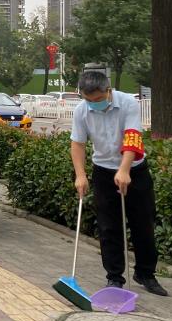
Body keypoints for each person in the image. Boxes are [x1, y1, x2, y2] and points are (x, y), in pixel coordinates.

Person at [70, 68, 167, 296]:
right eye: (89, 100)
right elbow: (78, 144)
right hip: (103, 172)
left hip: (135, 170)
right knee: (108, 227)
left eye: (98, 99)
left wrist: (124, 170)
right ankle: (114, 277)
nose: (94, 104)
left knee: (143, 223)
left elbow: (132, 137)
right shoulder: (81, 111)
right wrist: (80, 175)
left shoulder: (128, 103)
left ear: (108, 90)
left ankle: (145, 273)